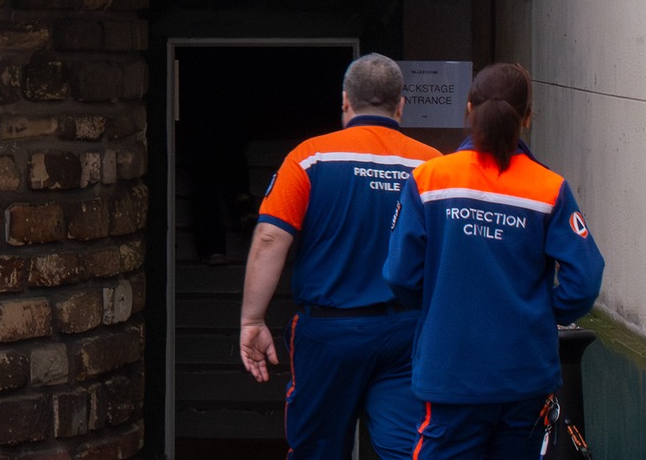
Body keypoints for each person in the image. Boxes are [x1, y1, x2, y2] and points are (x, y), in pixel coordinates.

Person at [384, 64, 604, 460]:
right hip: (525, 373)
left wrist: (440, 306)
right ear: (529, 117)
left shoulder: (430, 179)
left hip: (450, 369)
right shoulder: (548, 188)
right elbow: (585, 279)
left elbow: (399, 273)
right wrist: (541, 312)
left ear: (468, 109)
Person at [239, 54, 442, 460]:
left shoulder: (309, 158)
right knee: (407, 450)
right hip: (407, 333)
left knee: (317, 449)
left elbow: (269, 239)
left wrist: (252, 319)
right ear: (400, 105)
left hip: (329, 334)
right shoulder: (433, 165)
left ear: (345, 101)